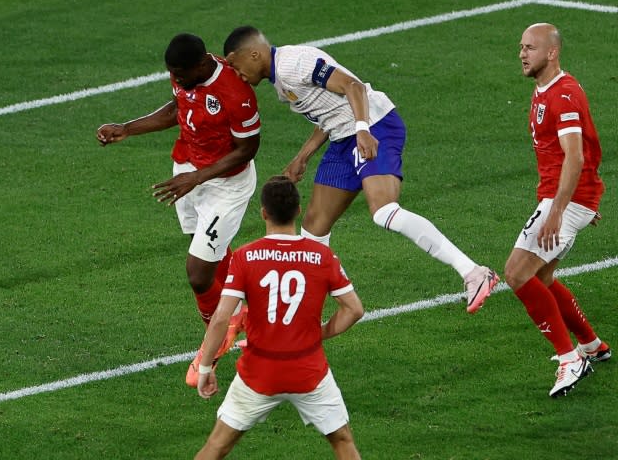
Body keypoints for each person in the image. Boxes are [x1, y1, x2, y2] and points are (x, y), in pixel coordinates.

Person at [222, 26, 498, 313]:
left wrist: (363, 130)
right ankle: (301, 314)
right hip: (344, 137)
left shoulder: (294, 63)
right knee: (312, 231)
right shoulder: (280, 80)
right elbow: (329, 111)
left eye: (234, 64)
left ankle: (474, 272)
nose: (235, 73)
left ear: (253, 54)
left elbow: (352, 86)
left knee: (384, 211)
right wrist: (302, 156)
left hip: (375, 126)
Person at [96, 33, 261, 387]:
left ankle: (215, 339)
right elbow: (177, 108)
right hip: (187, 170)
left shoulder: (236, 93)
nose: (176, 79)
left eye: (181, 74)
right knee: (209, 252)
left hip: (224, 185)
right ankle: (244, 311)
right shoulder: (183, 74)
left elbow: (247, 149)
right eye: (173, 74)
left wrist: (198, 178)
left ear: (202, 64)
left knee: (198, 272)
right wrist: (127, 128)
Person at [195, 175, 364, 460]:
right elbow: (354, 310)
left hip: (258, 373)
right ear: (299, 211)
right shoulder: (321, 255)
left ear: (263, 213)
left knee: (217, 446)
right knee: (343, 440)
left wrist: (205, 367)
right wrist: (318, 334)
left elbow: (222, 317)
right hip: (309, 372)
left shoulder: (245, 257)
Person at [504, 23, 610, 398]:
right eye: (521, 47)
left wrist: (560, 211)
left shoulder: (562, 95)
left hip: (563, 201)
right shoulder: (545, 89)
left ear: (551, 53)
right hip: (572, 198)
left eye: (530, 48)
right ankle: (591, 345)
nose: (522, 53)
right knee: (542, 278)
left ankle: (569, 358)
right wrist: (586, 199)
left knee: (516, 273)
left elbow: (575, 156)